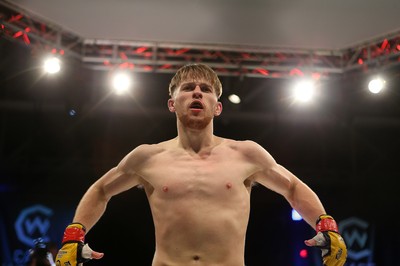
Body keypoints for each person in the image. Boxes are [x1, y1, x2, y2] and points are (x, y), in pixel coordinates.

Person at [55, 63, 347, 266]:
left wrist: (327, 225)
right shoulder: (147, 157)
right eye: (188, 88)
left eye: (206, 89)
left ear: (217, 107)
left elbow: (293, 187)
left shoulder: (246, 154)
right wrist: (74, 235)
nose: (197, 92)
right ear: (172, 103)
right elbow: (101, 189)